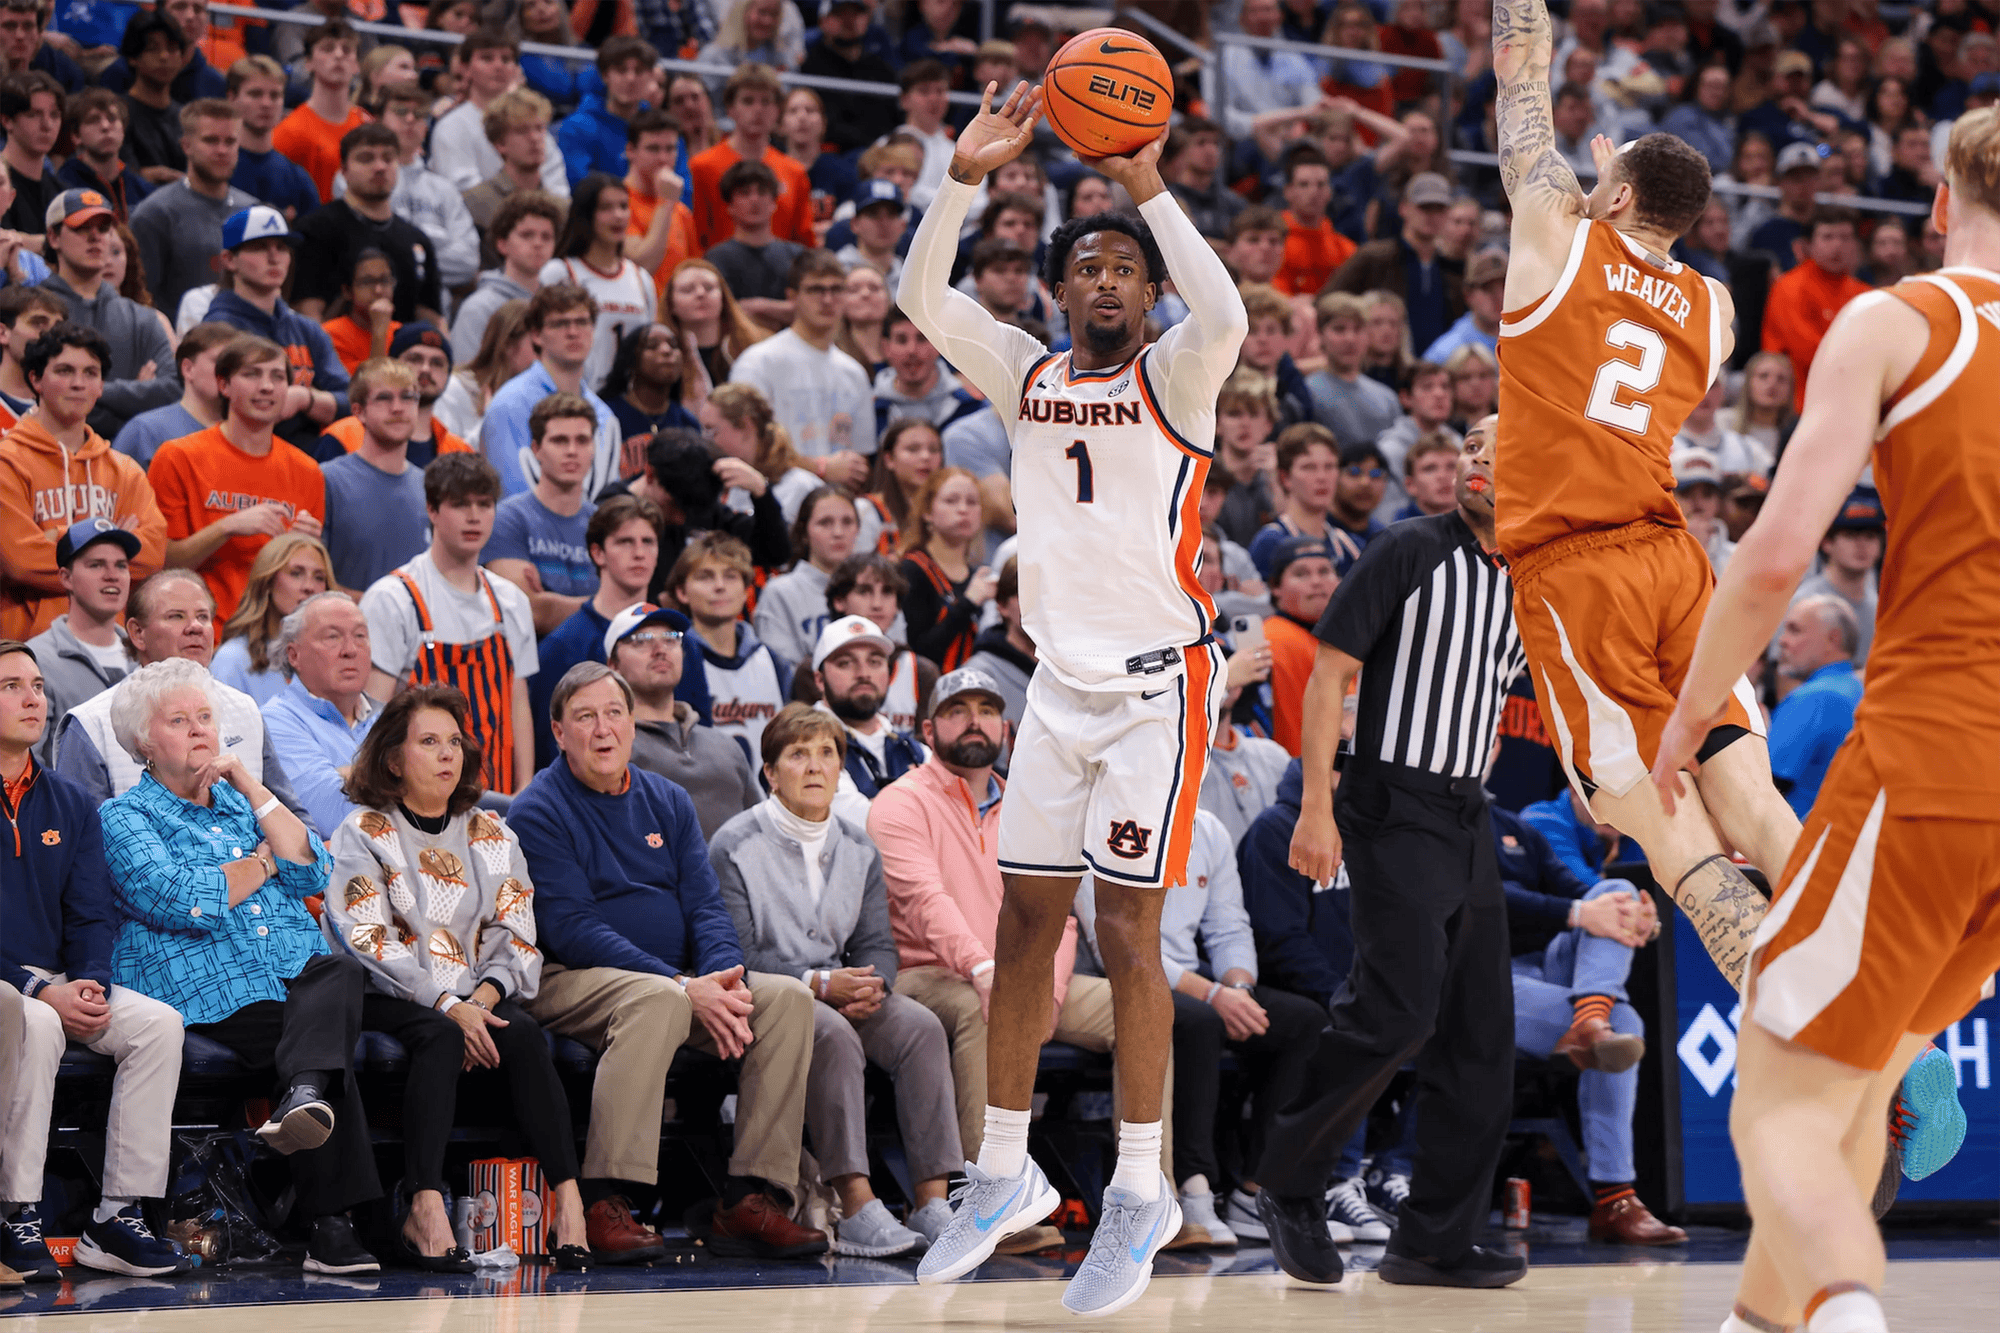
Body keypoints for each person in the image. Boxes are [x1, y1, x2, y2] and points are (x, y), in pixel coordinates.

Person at [897, 83, 1248, 1313]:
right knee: (1019, 935)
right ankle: (1005, 1171)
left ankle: (1143, 1187)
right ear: (1057, 291)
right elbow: (918, 298)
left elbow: (1232, 306)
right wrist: (959, 175)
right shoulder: (1023, 374)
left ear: (1148, 295)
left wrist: (1148, 183)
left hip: (1157, 690)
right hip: (1053, 688)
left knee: (1132, 932)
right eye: (1085, 265)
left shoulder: (1182, 372)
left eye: (1123, 270)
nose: (1103, 282)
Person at [1648, 107, 2000, 1333]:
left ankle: (1850, 1317)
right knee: (1854, 1087)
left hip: (1938, 751)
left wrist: (1692, 708)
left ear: (1940, 202)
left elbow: (1772, 556)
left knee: (1776, 1107)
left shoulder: (1900, 317)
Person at [1490, 0, 1796, 1001]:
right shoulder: (1711, 310)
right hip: (1674, 558)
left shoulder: (1554, 237)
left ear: (1609, 193)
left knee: (1670, 830)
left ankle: (1825, 1031)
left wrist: (1582, 191)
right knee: (1749, 797)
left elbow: (1517, 81)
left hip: (1580, 572)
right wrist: (1614, 193)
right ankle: (1892, 1010)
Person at [1248, 413, 1531, 1291]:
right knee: (1396, 1010)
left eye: (1498, 446)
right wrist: (1317, 807)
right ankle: (1288, 1182)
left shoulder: (1537, 578)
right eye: (1469, 447)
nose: (1475, 459)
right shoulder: (1409, 548)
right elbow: (1331, 672)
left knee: (1483, 1034)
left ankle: (1431, 1238)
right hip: (1387, 796)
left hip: (1465, 810)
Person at [510, 662, 828, 1262]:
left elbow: (707, 906)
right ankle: (608, 1200)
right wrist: (683, 984)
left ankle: (747, 1197)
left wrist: (724, 979)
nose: (603, 730)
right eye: (585, 717)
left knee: (787, 999)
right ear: (557, 731)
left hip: (680, 979)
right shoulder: (538, 810)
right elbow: (573, 930)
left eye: (614, 714)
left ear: (633, 724)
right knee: (657, 1001)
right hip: (566, 979)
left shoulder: (668, 799)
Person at [98, 656, 382, 1275]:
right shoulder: (124, 817)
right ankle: (333, 1226)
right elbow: (182, 898)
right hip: (201, 985)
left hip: (291, 981)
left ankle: (303, 1104)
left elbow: (314, 870)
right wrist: (262, 864)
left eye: (206, 716)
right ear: (146, 742)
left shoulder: (240, 803)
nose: (201, 729)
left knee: (338, 977)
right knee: (322, 1043)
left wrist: (255, 791)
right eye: (180, 720)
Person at [325, 685, 591, 1271]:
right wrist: (449, 1004)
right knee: (441, 1033)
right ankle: (425, 1205)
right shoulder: (363, 832)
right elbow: (366, 938)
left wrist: (484, 997)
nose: (448, 755)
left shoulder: (489, 830)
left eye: (454, 742)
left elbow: (516, 931)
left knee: (519, 1032)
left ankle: (569, 1200)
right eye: (428, 742)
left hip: (475, 992)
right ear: (394, 759)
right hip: (388, 993)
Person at [711, 702, 956, 1257]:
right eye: (798, 754)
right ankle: (858, 1205)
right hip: (769, 999)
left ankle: (932, 1201)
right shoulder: (733, 844)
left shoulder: (859, 845)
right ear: (770, 772)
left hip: (842, 991)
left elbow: (877, 944)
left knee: (921, 1027)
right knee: (831, 1033)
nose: (815, 766)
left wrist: (877, 986)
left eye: (827, 753)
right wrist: (820, 985)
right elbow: (738, 955)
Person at [0, 639, 189, 1282]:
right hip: (10, 987)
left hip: (56, 982)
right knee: (39, 1020)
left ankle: (116, 1214)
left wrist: (90, 984)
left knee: (158, 1024)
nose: (33, 697)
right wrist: (36, 987)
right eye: (11, 686)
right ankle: (15, 1210)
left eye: (34, 684)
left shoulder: (71, 802)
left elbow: (92, 913)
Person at [1074, 801, 1323, 1247]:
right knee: (1197, 1020)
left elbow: (1228, 925)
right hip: (1116, 980)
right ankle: (1195, 1187)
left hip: (1199, 979)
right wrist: (1211, 994)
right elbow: (1110, 941)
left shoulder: (1207, 827)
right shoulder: (1093, 825)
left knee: (1302, 1022)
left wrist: (1239, 989)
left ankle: (1257, 1187)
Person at [1492, 798, 1686, 1246]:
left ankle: (1591, 1018)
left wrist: (1640, 920)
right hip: (1481, 977)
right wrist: (1584, 914)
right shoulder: (1533, 817)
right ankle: (1615, 1200)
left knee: (1610, 892)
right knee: (1626, 1022)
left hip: (1547, 972)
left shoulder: (1518, 828)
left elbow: (1590, 894)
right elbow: (1482, 900)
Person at [51, 569, 304, 817]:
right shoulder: (90, 723)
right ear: (138, 633)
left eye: (203, 617)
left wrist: (264, 856)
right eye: (176, 616)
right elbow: (83, 841)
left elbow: (291, 816)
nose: (195, 627)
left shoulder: (245, 707)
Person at [361, 454, 537, 795]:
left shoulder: (511, 602)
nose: (474, 516)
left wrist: (524, 789)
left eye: (484, 504)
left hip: (498, 802)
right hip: (416, 802)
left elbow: (518, 704)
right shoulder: (393, 599)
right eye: (460, 504)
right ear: (432, 510)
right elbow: (374, 716)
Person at [0, 322, 165, 641]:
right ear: (35, 380)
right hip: (27, 648)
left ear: (101, 386)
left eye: (91, 373)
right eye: (64, 371)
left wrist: (55, 537)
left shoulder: (125, 470)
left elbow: (152, 555)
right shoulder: (7, 463)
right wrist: (111, 537)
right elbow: (20, 562)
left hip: (112, 643)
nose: (78, 383)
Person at [149, 335, 326, 621]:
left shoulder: (308, 471)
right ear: (224, 385)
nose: (266, 386)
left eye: (277, 376)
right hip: (201, 633)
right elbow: (161, 563)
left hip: (275, 636)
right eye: (251, 374)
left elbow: (308, 581)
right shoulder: (178, 457)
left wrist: (303, 551)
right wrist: (228, 527)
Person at [529, 494, 666, 770]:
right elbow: (548, 752)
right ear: (598, 553)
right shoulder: (561, 646)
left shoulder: (677, 643)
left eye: (648, 542)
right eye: (625, 542)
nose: (639, 553)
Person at [607, 601, 757, 838]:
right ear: (613, 666)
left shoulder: (725, 747)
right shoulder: (609, 750)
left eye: (670, 639)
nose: (660, 649)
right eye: (641, 641)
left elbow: (764, 831)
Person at [38, 190, 180, 437]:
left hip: (126, 466)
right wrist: (135, 396)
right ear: (53, 237)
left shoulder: (143, 318)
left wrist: (89, 392)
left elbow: (171, 392)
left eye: (103, 228)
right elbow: (34, 394)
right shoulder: (34, 312)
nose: (95, 236)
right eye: (81, 227)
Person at [293, 125, 445, 329]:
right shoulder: (316, 229)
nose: (380, 167)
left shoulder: (416, 239)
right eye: (366, 158)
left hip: (404, 356)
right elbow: (308, 312)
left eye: (388, 158)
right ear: (344, 170)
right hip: (340, 352)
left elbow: (431, 317)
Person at [479, 284, 623, 499]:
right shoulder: (510, 404)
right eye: (560, 324)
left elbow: (609, 496)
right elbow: (512, 498)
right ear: (536, 335)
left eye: (582, 322)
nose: (573, 333)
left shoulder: (603, 414)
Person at [666, 531, 790, 765]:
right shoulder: (669, 660)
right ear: (682, 591)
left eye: (730, 576)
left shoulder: (775, 663)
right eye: (705, 577)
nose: (720, 586)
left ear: (746, 591)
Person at [484, 392, 602, 636]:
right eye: (560, 441)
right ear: (536, 449)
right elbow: (527, 613)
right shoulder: (507, 519)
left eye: (582, 440)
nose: (572, 451)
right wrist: (607, 604)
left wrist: (550, 601)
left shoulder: (606, 523)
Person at [259, 591, 375, 838]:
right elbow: (334, 817)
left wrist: (351, 773)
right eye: (332, 637)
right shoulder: (274, 722)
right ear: (294, 655)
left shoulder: (387, 718)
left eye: (360, 636)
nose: (350, 650)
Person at [24, 520, 139, 758]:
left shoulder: (144, 656)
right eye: (96, 565)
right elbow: (23, 763)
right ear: (66, 578)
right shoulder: (36, 661)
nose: (112, 576)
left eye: (121, 566)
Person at [319, 359, 434, 591]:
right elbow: (313, 579)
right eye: (384, 398)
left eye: (407, 397)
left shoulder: (431, 487)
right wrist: (381, 610)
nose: (397, 408)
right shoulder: (328, 480)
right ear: (359, 412)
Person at [540, 173, 656, 393]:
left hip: (628, 401)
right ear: (586, 214)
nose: (618, 216)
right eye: (606, 208)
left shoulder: (642, 279)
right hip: (572, 395)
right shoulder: (559, 273)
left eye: (623, 206)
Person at [1328, 173, 1467, 355]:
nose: (1431, 216)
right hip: (1381, 365)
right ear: (1404, 208)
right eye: (1424, 207)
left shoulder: (1452, 268)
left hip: (1434, 371)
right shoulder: (1375, 257)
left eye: (1439, 209)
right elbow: (1329, 302)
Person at [808, 613, 927, 825]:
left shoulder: (914, 749)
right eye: (845, 663)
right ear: (819, 679)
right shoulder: (804, 745)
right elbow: (862, 826)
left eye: (874, 661)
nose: (863, 673)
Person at [688, 63, 814, 254]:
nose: (758, 110)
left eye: (765, 102)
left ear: (777, 111)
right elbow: (695, 236)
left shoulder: (794, 172)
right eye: (748, 101)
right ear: (730, 109)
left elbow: (804, 243)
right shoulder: (703, 166)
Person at [369, 82, 479, 299]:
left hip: (435, 312)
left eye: (419, 113)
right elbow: (368, 249)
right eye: (401, 111)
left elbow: (468, 261)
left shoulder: (444, 189)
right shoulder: (363, 178)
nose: (410, 119)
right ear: (379, 120)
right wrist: (435, 241)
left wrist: (408, 255)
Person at [431, 31, 570, 199]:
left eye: (506, 59)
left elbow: (558, 189)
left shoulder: (534, 126)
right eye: (487, 58)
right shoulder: (452, 125)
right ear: (466, 68)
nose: (499, 66)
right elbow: (463, 190)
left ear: (516, 69)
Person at [1761, 208, 1871, 412]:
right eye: (1827, 237)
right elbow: (1806, 350)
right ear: (1808, 246)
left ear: (1856, 245)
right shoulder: (1789, 286)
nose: (1837, 245)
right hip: (1795, 405)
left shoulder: (1865, 294)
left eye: (1845, 238)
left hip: (1848, 400)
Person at [321, 323, 472, 469]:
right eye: (415, 359)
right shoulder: (343, 436)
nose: (426, 369)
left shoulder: (459, 450)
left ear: (448, 374)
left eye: (437, 363)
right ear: (392, 365)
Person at [1766, 594, 1863, 820]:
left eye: (1795, 630)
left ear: (1833, 639)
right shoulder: (1856, 691)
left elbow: (1762, 787)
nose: (1782, 640)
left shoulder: (1815, 698)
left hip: (1794, 841)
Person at [209, 532, 333, 706]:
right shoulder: (233, 660)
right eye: (296, 573)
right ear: (267, 582)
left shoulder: (335, 658)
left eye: (319, 577)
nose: (309, 587)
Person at [452, 189, 564, 363]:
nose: (538, 243)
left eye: (546, 237)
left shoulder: (557, 307)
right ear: (502, 244)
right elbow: (466, 375)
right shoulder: (478, 308)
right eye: (527, 235)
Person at [754, 486, 858, 668]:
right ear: (804, 533)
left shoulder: (877, 588)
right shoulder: (780, 592)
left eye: (847, 522)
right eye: (825, 523)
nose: (838, 532)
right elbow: (781, 672)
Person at [270, 19, 367, 204]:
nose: (338, 54)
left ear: (357, 65)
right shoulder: (289, 132)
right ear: (308, 62)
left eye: (347, 50)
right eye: (327, 48)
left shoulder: (367, 124)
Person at [110, 321, 233, 467]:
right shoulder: (144, 432)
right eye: (219, 362)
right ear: (188, 369)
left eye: (236, 365)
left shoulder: (248, 434)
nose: (229, 371)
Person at [1246, 424, 1359, 581]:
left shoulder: (1350, 546)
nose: (1322, 477)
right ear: (1285, 478)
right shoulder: (1270, 542)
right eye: (1309, 467)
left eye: (1329, 466)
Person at [1261, 535, 1339, 757]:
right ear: (1275, 587)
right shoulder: (1275, 638)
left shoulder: (1337, 638)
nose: (1316, 581)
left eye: (1324, 571)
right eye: (1301, 574)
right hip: (1298, 773)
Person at [459, 87, 565, 239]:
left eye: (540, 128)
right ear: (500, 143)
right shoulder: (475, 202)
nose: (535, 138)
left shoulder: (561, 207)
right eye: (522, 131)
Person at [226, 56, 318, 224]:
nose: (266, 104)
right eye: (255, 94)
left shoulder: (298, 179)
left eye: (275, 95)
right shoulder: (215, 166)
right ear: (232, 98)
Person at [1306, 294, 1403, 453]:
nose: (1350, 339)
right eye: (1339, 329)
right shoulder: (1307, 393)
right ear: (1320, 335)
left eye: (1358, 329)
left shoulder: (1387, 398)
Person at [800, 0, 899, 154]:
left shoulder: (881, 69)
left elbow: (895, 117)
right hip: (833, 154)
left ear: (867, 19)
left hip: (883, 154)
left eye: (856, 13)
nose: (849, 20)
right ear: (823, 21)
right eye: (840, 14)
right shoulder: (810, 68)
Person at [556, 36, 656, 187]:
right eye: (621, 70)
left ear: (651, 76)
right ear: (605, 76)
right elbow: (580, 188)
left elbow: (684, 188)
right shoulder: (575, 129)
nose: (630, 78)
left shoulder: (660, 127)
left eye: (639, 70)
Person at [1272, 151, 1356, 299]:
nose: (1313, 192)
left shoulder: (1346, 250)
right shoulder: (1271, 243)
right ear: (1288, 191)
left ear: (1330, 192)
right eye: (1304, 184)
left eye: (1321, 185)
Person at [55, 90, 151, 221]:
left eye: (112, 119)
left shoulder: (144, 189)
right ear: (76, 136)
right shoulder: (63, 187)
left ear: (123, 129)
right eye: (93, 120)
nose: (105, 126)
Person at [960, 556, 1034, 723]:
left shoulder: (1066, 671)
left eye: (1044, 593)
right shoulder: (977, 674)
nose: (1037, 602)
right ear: (1001, 606)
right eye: (1024, 592)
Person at [858, 417, 942, 556]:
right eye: (913, 449)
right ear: (889, 459)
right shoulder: (865, 510)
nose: (926, 456)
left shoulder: (949, 509)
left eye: (933, 450)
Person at [0, 71, 62, 243]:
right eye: (33, 115)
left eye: (54, 115)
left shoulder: (60, 190)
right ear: (7, 121)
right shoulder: (1, 182)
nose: (47, 125)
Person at [321, 249, 401, 375]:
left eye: (385, 280)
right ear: (347, 291)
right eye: (367, 282)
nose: (378, 290)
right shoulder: (329, 335)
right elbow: (370, 387)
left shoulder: (400, 332)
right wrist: (379, 334)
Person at [1422, 248, 1506, 363]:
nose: (1499, 297)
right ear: (1468, 295)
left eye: (1504, 287)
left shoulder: (1525, 338)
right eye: (1487, 289)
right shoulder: (1446, 352)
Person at [0, 285, 62, 428]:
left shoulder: (66, 406)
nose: (51, 334)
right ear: (2, 333)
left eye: (59, 326)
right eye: (38, 323)